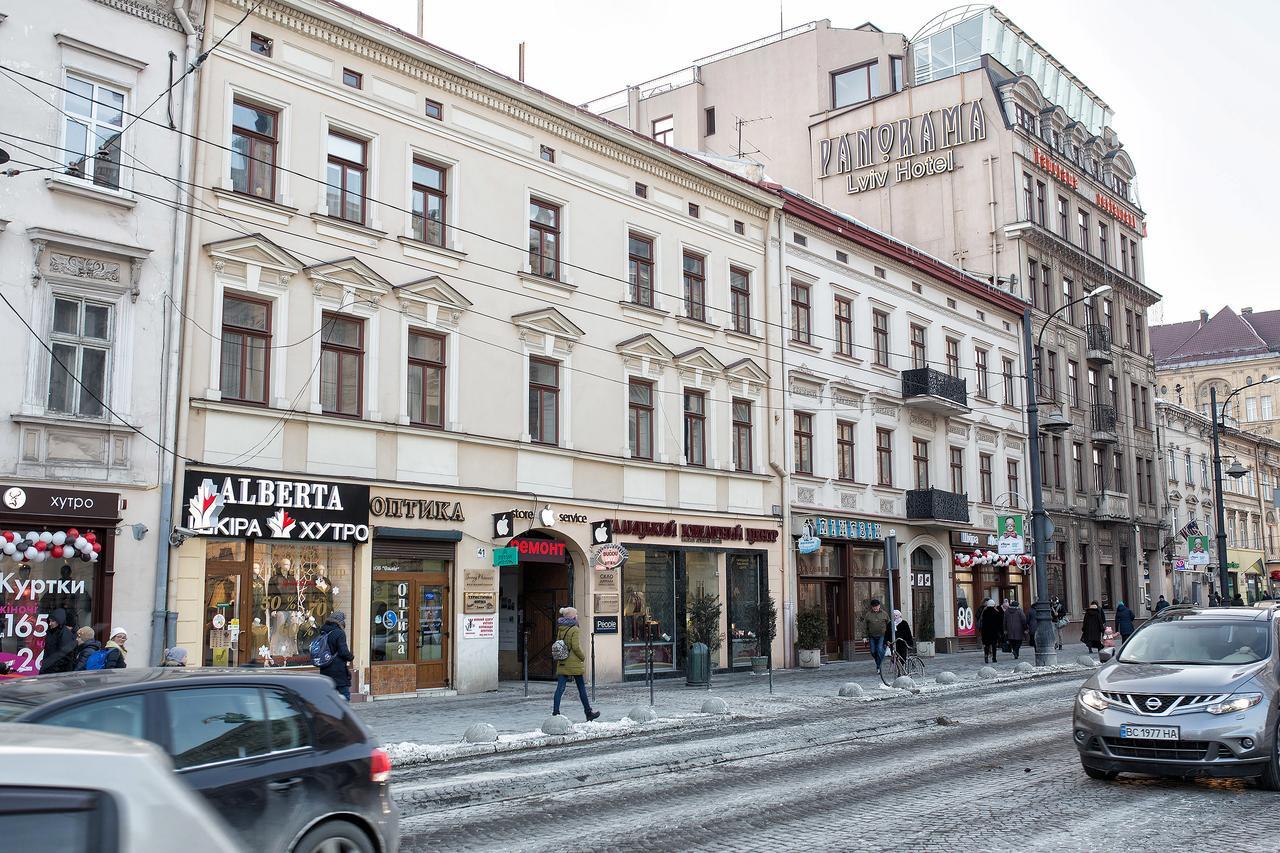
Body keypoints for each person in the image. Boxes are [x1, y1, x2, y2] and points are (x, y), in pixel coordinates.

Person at [552, 607, 600, 721]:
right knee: (581, 688)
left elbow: (558, 643)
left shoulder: (561, 629)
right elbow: (576, 647)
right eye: (576, 614)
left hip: (563, 662)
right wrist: (582, 657)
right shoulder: (575, 629)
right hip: (574, 663)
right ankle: (588, 712)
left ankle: (555, 712)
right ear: (573, 617)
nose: (577, 616)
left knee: (560, 688)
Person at [314, 611, 354, 700]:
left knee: (329, 697)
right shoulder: (339, 633)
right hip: (338, 672)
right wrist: (351, 657)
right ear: (340, 621)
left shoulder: (323, 631)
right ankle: (342, 713)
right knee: (345, 696)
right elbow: (343, 652)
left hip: (325, 669)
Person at [39, 608, 77, 674]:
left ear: (59, 621)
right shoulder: (51, 632)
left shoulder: (65, 634)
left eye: (52, 621)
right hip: (48, 669)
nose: (50, 624)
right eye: (49, 621)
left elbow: (65, 656)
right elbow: (48, 651)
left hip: (58, 672)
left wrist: (53, 670)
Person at [863, 599, 890, 672]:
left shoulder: (884, 614)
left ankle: (879, 666)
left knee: (879, 649)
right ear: (871, 607)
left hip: (882, 635)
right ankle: (879, 663)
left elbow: (889, 624)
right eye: (874, 606)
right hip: (872, 636)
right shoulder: (868, 615)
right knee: (873, 651)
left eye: (877, 606)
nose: (875, 608)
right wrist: (864, 637)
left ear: (879, 606)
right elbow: (865, 626)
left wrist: (889, 636)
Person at [979, 598, 1004, 664]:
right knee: (994, 645)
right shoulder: (997, 613)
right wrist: (1001, 632)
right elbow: (1000, 624)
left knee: (986, 645)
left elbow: (982, 621)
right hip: (994, 632)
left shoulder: (985, 613)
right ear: (994, 605)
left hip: (986, 632)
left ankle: (986, 656)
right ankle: (994, 658)